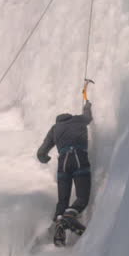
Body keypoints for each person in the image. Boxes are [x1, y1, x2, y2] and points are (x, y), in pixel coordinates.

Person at [36, 96, 93, 244]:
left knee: (62, 201)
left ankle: (59, 229)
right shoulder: (78, 119)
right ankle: (69, 216)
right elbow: (88, 117)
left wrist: (45, 159)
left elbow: (41, 153)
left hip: (63, 164)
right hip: (79, 158)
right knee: (82, 198)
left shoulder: (54, 129)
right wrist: (87, 105)